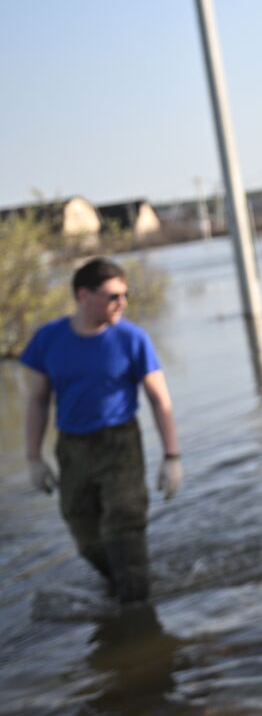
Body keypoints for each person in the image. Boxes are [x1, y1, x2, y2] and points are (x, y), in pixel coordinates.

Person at [21, 257, 181, 604]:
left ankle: (136, 610)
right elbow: (37, 401)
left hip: (119, 443)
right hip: (72, 447)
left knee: (124, 526)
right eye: (112, 296)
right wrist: (34, 459)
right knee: (85, 533)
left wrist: (172, 457)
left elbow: (159, 398)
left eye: (125, 295)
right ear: (83, 295)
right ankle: (122, 583)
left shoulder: (131, 339)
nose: (121, 303)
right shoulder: (49, 339)